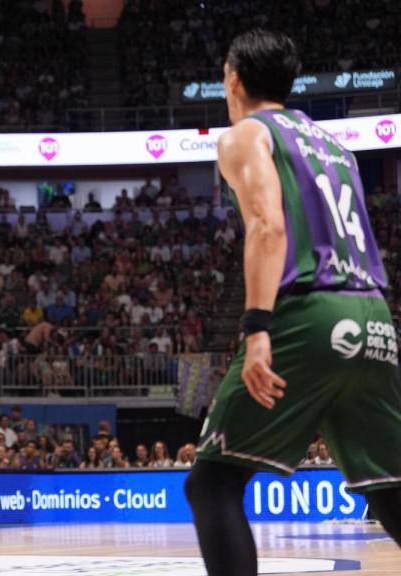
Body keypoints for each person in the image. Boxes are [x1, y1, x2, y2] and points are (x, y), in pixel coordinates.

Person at [185, 30, 401, 576]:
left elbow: (267, 224)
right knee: (389, 490)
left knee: (211, 482)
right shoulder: (335, 146)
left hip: (309, 314)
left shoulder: (246, 135)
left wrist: (258, 326)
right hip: (373, 314)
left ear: (234, 80)